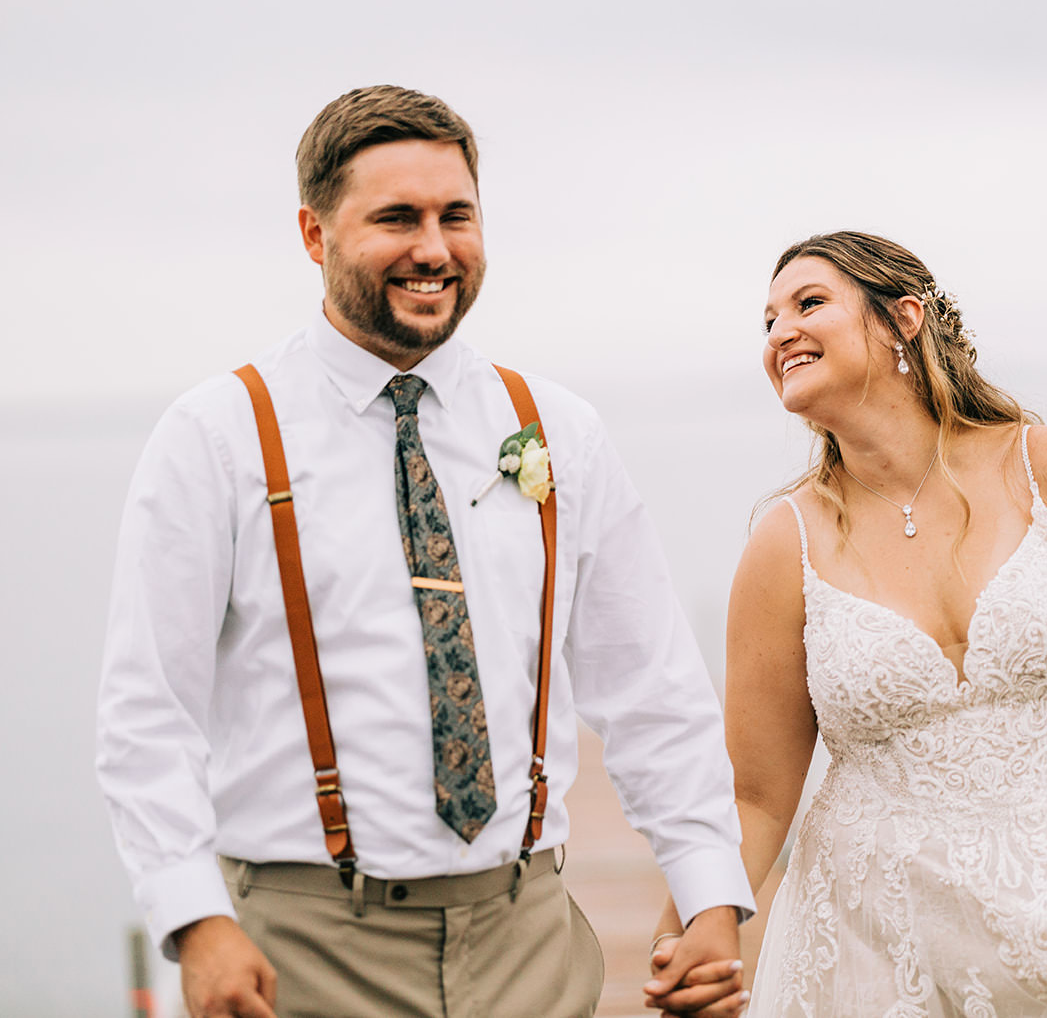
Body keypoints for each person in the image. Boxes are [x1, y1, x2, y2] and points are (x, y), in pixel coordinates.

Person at [95, 85, 753, 1018]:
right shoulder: (218, 436)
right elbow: (146, 713)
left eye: (457, 216)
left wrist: (709, 893)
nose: (435, 248)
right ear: (315, 234)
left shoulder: (557, 428)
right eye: (397, 218)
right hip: (305, 944)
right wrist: (196, 921)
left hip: (530, 937)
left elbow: (652, 689)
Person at [646, 232, 1047, 1016]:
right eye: (768, 322)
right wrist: (692, 926)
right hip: (882, 947)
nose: (779, 333)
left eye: (808, 304)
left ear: (903, 319)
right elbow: (758, 796)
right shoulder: (783, 544)